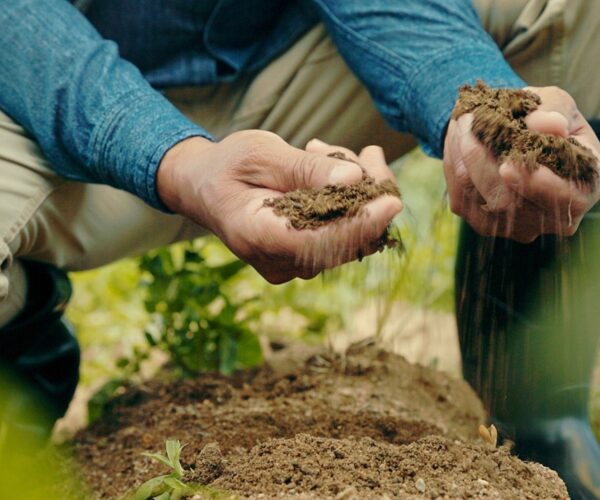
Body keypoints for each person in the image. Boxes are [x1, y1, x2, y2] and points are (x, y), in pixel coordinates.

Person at [0, 0, 598, 496]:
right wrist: (178, 159)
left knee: (568, 11)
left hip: (286, 64)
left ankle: (539, 422)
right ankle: (22, 346)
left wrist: (477, 113)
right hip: (45, 101)